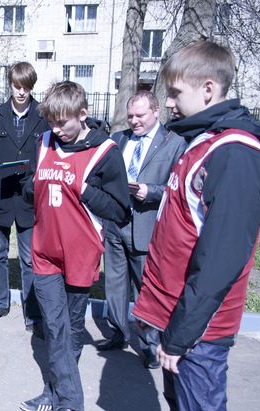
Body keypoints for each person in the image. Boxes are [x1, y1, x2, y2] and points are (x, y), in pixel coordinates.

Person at [113, 41, 260, 411]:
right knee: (182, 406)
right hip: (173, 317)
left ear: (210, 89)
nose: (169, 103)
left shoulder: (237, 155)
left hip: (197, 326)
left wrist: (181, 335)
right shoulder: (205, 142)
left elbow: (221, 258)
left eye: (176, 93)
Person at [20, 81, 130, 411]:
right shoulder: (45, 142)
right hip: (45, 251)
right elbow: (33, 186)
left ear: (82, 115)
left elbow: (119, 210)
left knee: (69, 328)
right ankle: (67, 403)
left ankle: (59, 394)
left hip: (80, 256)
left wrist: (83, 189)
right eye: (51, 122)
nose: (55, 130)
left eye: (62, 123)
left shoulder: (106, 152)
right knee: (54, 327)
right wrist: (29, 184)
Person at [96, 90, 186, 368]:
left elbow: (178, 188)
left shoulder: (174, 143)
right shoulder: (118, 139)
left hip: (146, 227)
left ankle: (150, 344)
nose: (134, 121)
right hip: (115, 224)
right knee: (114, 284)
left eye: (140, 116)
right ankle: (118, 333)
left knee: (145, 289)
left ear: (156, 112)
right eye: (131, 116)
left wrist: (150, 191)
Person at [0, 62, 48, 332]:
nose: (21, 92)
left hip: (30, 199)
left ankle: (32, 313)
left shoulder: (43, 116)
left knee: (30, 258)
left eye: (26, 87)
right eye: (17, 86)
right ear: (10, 85)